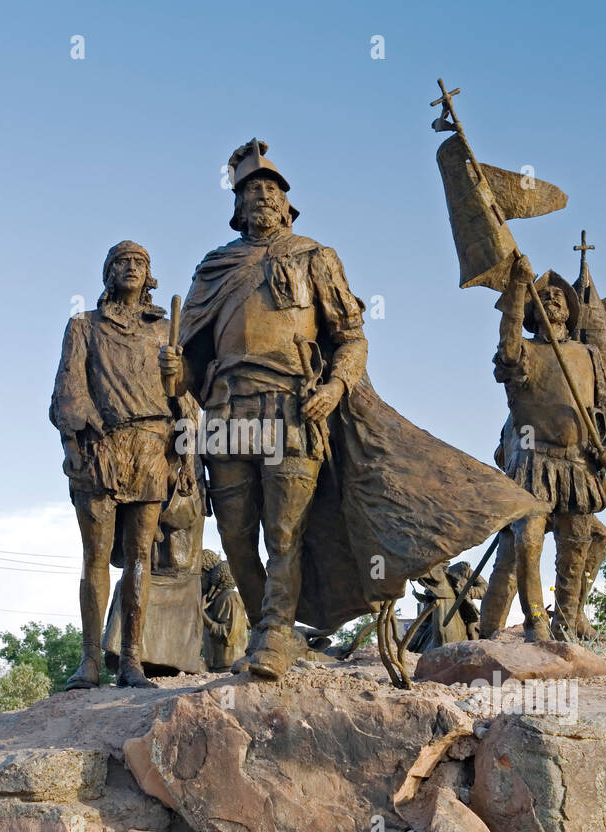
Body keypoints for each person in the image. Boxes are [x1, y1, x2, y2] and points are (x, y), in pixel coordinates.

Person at [161, 140, 541, 678]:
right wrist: (176, 375)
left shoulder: (316, 257)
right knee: (235, 535)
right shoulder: (214, 268)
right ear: (239, 206)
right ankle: (265, 629)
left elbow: (351, 336)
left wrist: (336, 387)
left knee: (285, 532)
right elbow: (192, 360)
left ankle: (272, 638)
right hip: (226, 411)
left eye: (271, 190)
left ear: (286, 204)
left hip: (292, 408)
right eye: (252, 190)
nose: (262, 197)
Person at [51, 241, 183, 689]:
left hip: (149, 446)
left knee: (141, 557)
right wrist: (75, 438)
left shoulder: (166, 331)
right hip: (100, 447)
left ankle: (131, 660)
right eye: (122, 262)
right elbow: (68, 386)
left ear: (149, 276)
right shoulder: (83, 326)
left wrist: (176, 374)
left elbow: (184, 397)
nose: (131, 268)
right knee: (95, 557)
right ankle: (89, 661)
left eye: (140, 263)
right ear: (108, 273)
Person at [492, 255, 606, 641]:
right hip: (533, 463)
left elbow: (605, 411)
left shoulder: (589, 356)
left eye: (559, 296)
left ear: (570, 310)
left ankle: (567, 626)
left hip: (579, 467)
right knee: (528, 543)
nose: (552, 298)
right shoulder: (526, 353)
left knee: (574, 551)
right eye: (543, 295)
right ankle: (535, 623)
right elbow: (508, 349)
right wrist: (516, 288)